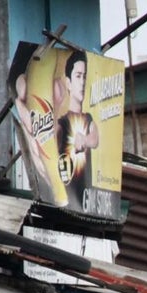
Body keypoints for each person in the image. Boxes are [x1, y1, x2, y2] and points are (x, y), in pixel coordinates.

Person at [55, 50, 99, 207]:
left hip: (87, 203)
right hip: (66, 202)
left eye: (85, 76)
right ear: (68, 83)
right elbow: (50, 140)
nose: (82, 82)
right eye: (78, 76)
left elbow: (95, 139)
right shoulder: (63, 122)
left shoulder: (88, 118)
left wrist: (84, 140)